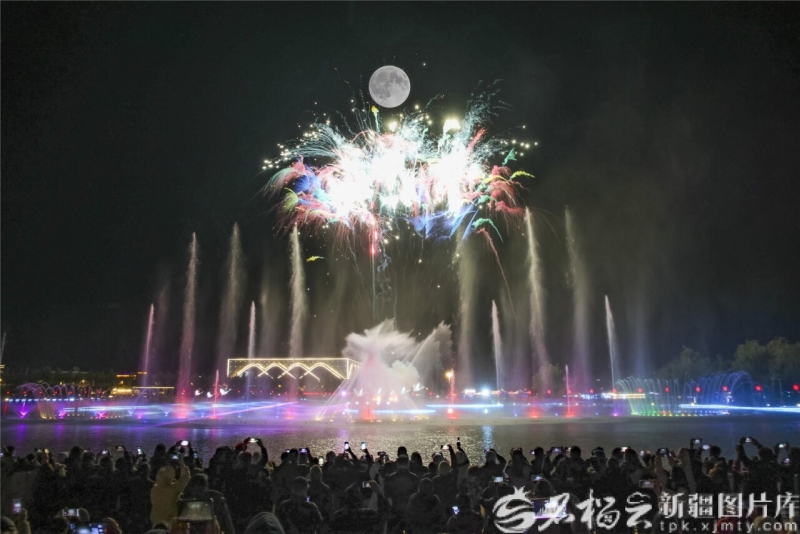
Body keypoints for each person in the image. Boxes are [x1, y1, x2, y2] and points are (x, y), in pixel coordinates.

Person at [150, 460, 190, 527]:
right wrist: (182, 464)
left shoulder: (154, 488)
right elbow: (185, 477)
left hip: (155, 521)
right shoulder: (173, 489)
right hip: (169, 522)